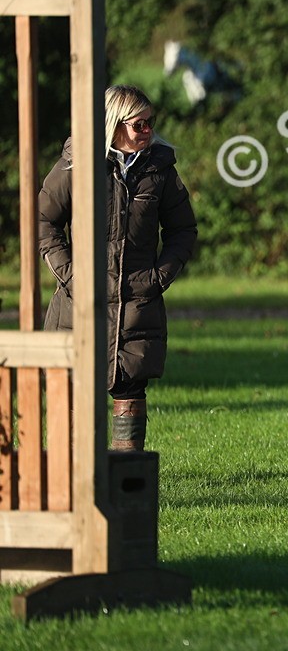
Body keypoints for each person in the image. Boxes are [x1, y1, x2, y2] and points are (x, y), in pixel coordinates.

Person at [39, 84, 198, 451]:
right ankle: (71, 482)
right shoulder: (75, 164)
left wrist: (159, 278)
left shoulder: (161, 169)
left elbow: (183, 229)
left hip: (137, 305)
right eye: (139, 124)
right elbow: (44, 223)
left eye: (150, 123)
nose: (148, 131)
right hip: (80, 305)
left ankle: (126, 490)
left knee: (130, 391)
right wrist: (72, 276)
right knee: (76, 392)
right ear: (113, 124)